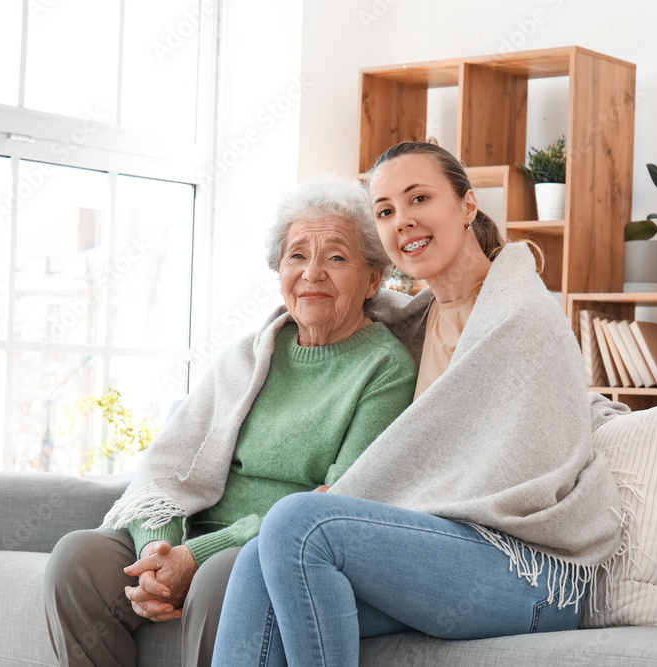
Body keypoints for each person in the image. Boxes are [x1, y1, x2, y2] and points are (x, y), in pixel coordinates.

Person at [211, 142, 625, 666]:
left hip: (527, 569)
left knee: (300, 523)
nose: (403, 221)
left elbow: (514, 474)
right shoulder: (411, 324)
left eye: (419, 199)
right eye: (385, 211)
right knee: (258, 561)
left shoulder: (518, 319)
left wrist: (352, 492)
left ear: (467, 206)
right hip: (440, 554)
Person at [43, 176, 417, 667]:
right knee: (77, 561)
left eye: (337, 257)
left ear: (374, 279)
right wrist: (162, 551)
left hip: (268, 548)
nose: (312, 273)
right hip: (190, 535)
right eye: (297, 255)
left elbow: (340, 503)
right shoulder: (250, 355)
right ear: (279, 269)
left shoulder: (386, 370)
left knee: (225, 579)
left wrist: (198, 558)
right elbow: (167, 467)